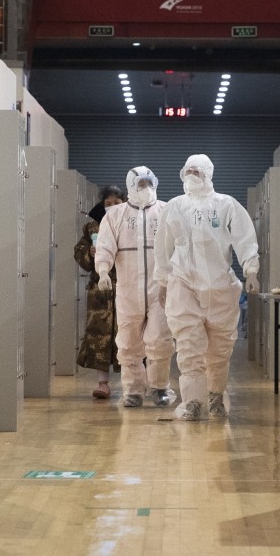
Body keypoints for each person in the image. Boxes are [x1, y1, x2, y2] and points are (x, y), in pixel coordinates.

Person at [154, 154, 259, 420]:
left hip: (220, 286)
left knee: (220, 348)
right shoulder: (175, 206)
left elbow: (245, 238)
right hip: (183, 283)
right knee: (188, 346)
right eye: (187, 170)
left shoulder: (225, 205)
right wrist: (163, 281)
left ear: (208, 174)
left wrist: (251, 270)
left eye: (197, 171)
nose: (191, 175)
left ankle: (215, 396)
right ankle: (193, 402)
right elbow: (162, 247)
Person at [95, 167, 176, 408]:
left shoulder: (166, 211)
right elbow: (106, 246)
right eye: (140, 184)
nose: (146, 188)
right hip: (128, 288)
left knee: (160, 339)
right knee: (129, 341)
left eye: (149, 183)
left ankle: (160, 387)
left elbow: (179, 246)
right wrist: (102, 270)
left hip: (161, 288)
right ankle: (132, 390)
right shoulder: (116, 215)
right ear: (130, 185)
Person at [74, 186, 126, 399]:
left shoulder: (132, 225)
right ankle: (102, 384)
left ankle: (134, 384)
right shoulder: (93, 227)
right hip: (100, 293)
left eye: (116, 203)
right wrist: (90, 253)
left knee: (130, 336)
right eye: (108, 204)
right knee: (100, 336)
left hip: (127, 288)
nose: (112, 207)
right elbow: (79, 253)